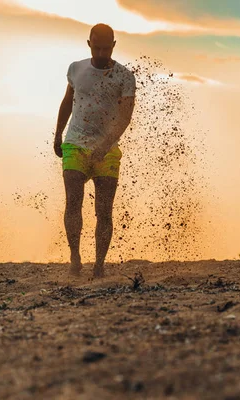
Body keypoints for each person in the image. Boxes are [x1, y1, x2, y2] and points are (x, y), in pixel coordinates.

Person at [53, 24, 136, 278]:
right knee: (73, 203)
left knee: (103, 210)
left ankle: (99, 264)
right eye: (96, 47)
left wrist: (104, 145)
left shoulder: (125, 76)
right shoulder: (75, 69)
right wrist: (58, 133)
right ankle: (75, 258)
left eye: (106, 48)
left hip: (108, 149)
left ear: (113, 45)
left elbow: (125, 117)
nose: (101, 53)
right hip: (75, 143)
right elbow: (68, 100)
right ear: (89, 44)